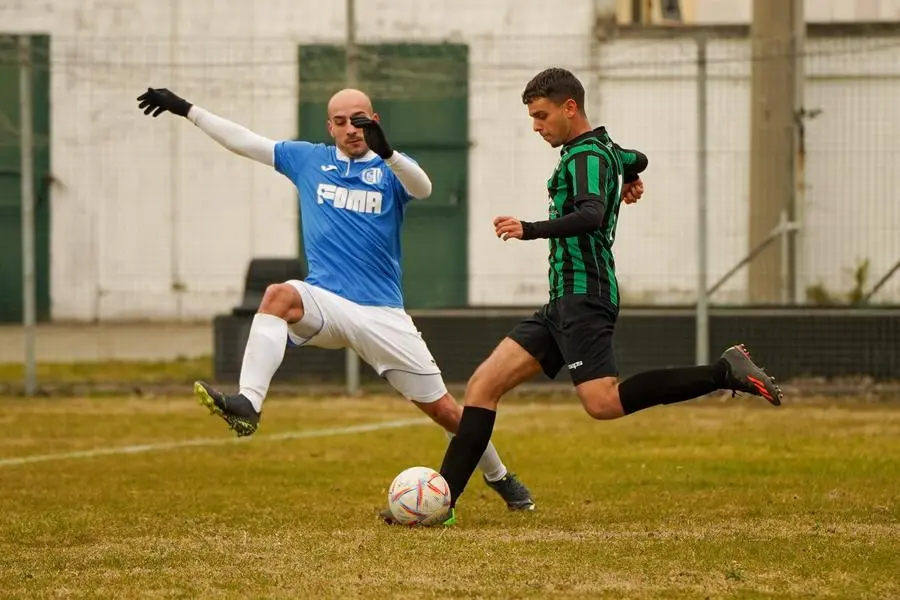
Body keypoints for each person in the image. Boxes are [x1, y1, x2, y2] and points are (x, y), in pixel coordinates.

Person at [135, 86, 535, 524]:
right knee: (277, 296)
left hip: (381, 314)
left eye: (359, 120)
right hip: (324, 300)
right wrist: (186, 109)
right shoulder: (309, 159)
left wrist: (388, 152)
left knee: (446, 411)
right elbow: (243, 139)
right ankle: (248, 404)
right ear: (330, 126)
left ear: (375, 120)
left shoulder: (390, 167)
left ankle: (499, 476)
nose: (351, 129)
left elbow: (423, 187)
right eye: (341, 121)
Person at [435, 67, 784, 521]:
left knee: (603, 404)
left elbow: (592, 215)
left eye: (541, 116)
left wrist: (530, 229)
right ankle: (441, 503)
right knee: (483, 386)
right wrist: (631, 176)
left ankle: (724, 371)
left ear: (570, 107)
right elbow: (637, 158)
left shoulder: (585, 156)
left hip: (586, 296)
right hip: (562, 300)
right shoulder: (606, 149)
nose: (537, 127)